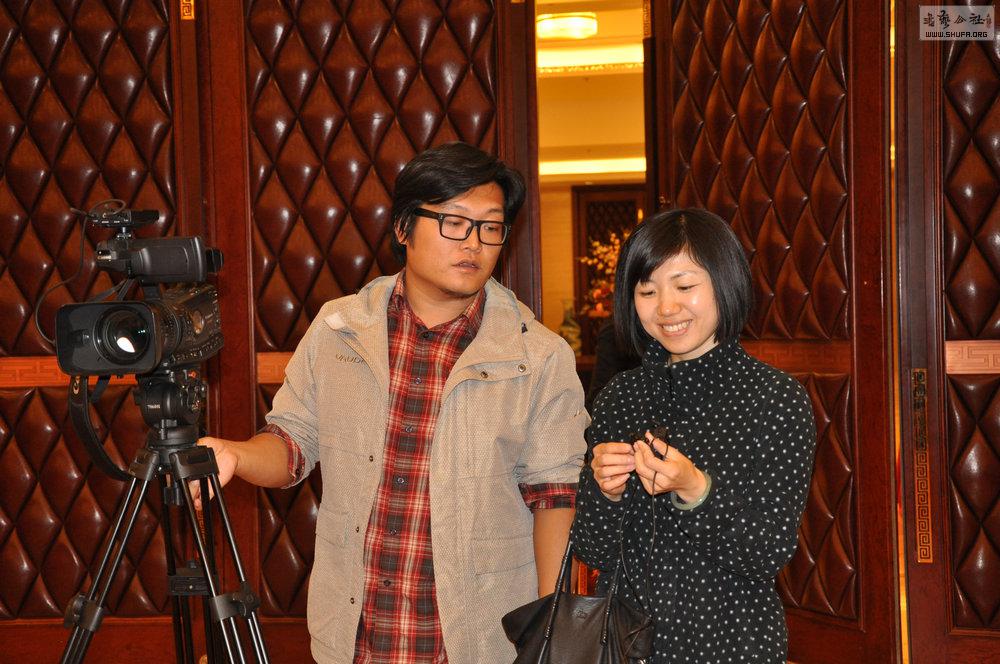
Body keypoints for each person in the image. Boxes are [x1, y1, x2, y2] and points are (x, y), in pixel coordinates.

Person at [195, 142, 587, 664]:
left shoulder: (538, 355)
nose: (473, 243)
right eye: (453, 222)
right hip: (356, 634)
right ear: (404, 228)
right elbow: (293, 444)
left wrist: (553, 630)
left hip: (478, 638)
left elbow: (556, 495)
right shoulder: (339, 329)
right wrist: (236, 455)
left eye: (490, 227)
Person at [572, 208, 817, 663]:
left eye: (684, 286)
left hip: (733, 643)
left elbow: (767, 553)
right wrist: (605, 492)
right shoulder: (621, 397)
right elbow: (593, 549)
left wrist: (695, 489)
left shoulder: (775, 399)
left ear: (725, 282)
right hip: (625, 645)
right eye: (647, 291)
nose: (666, 308)